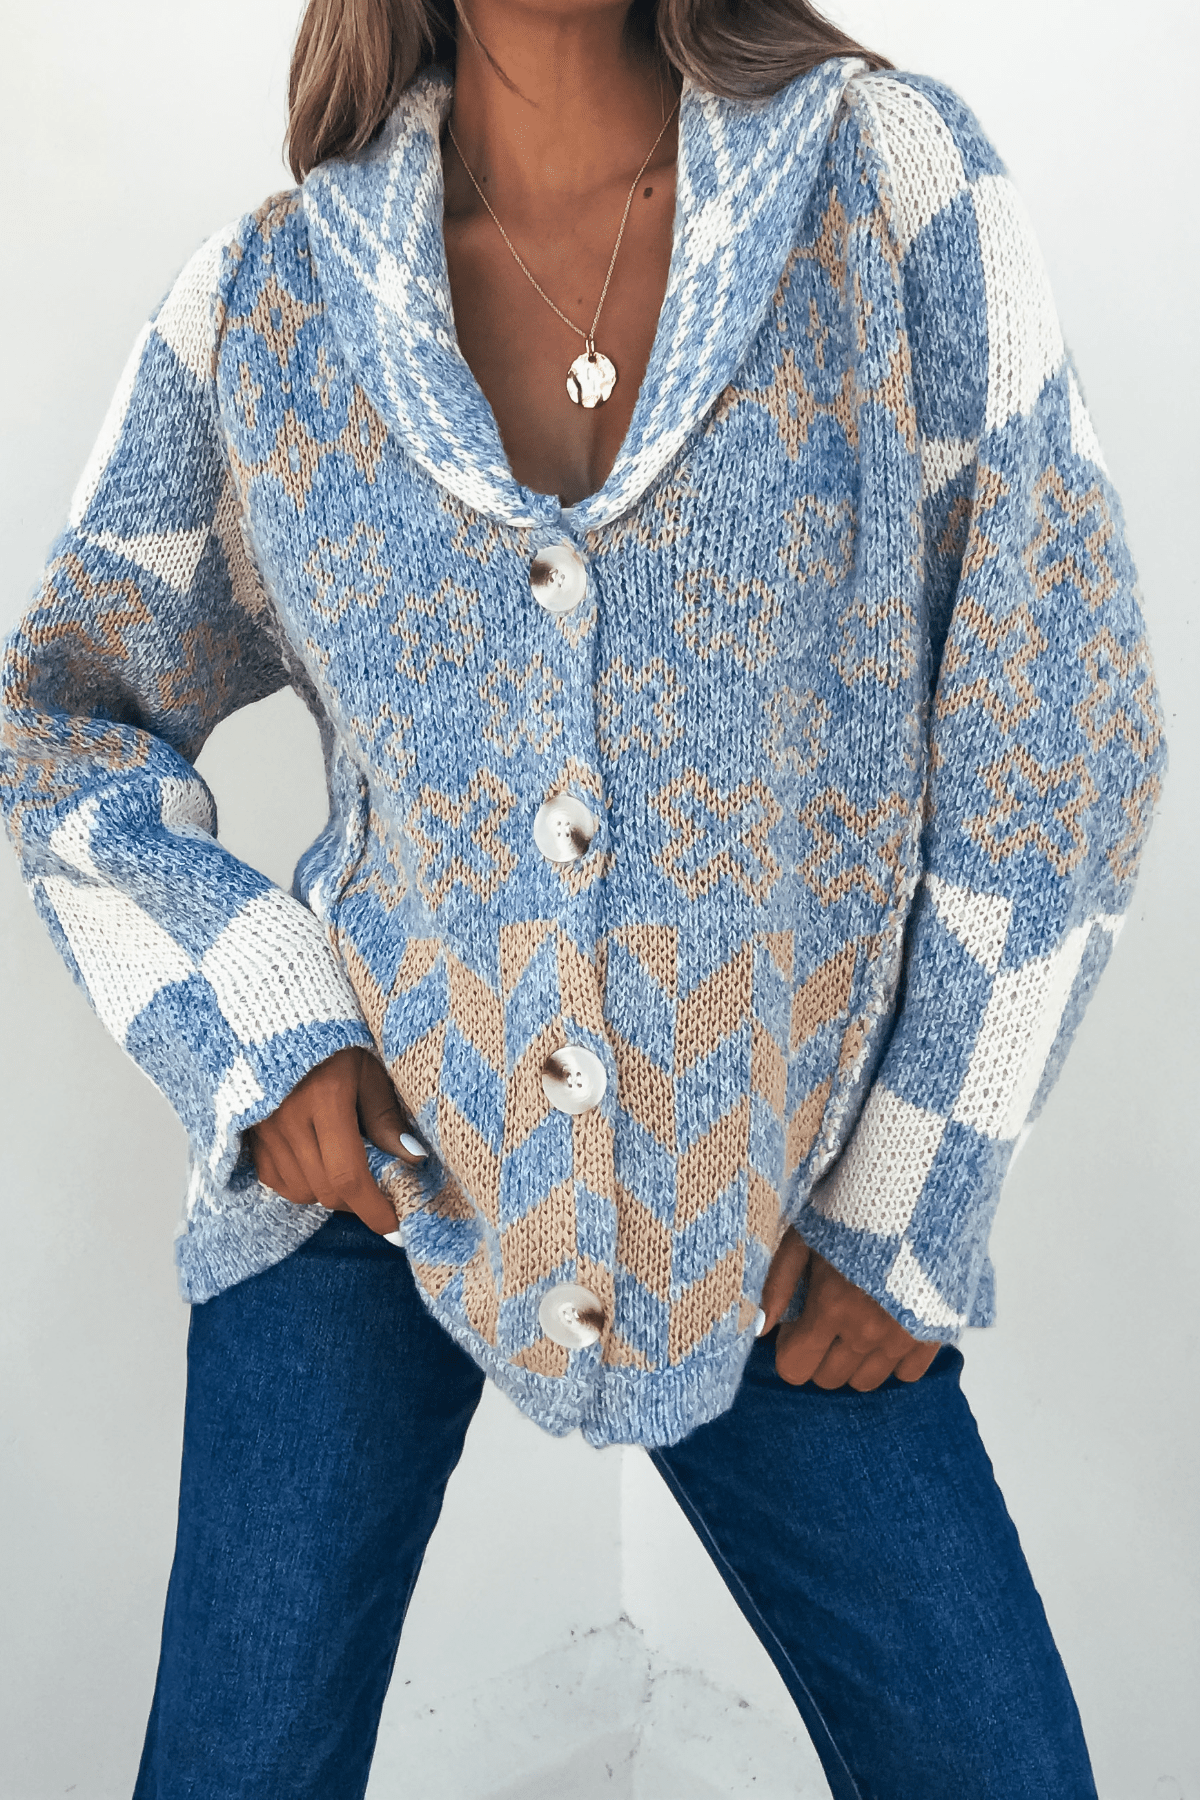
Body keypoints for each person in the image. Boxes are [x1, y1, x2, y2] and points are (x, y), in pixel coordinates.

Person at [0, 0, 1165, 1791]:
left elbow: (1059, 718)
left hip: (778, 1199)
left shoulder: (886, 193)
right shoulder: (279, 303)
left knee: (995, 1764)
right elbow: (60, 717)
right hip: (381, 1161)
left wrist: (912, 1196)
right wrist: (265, 1033)